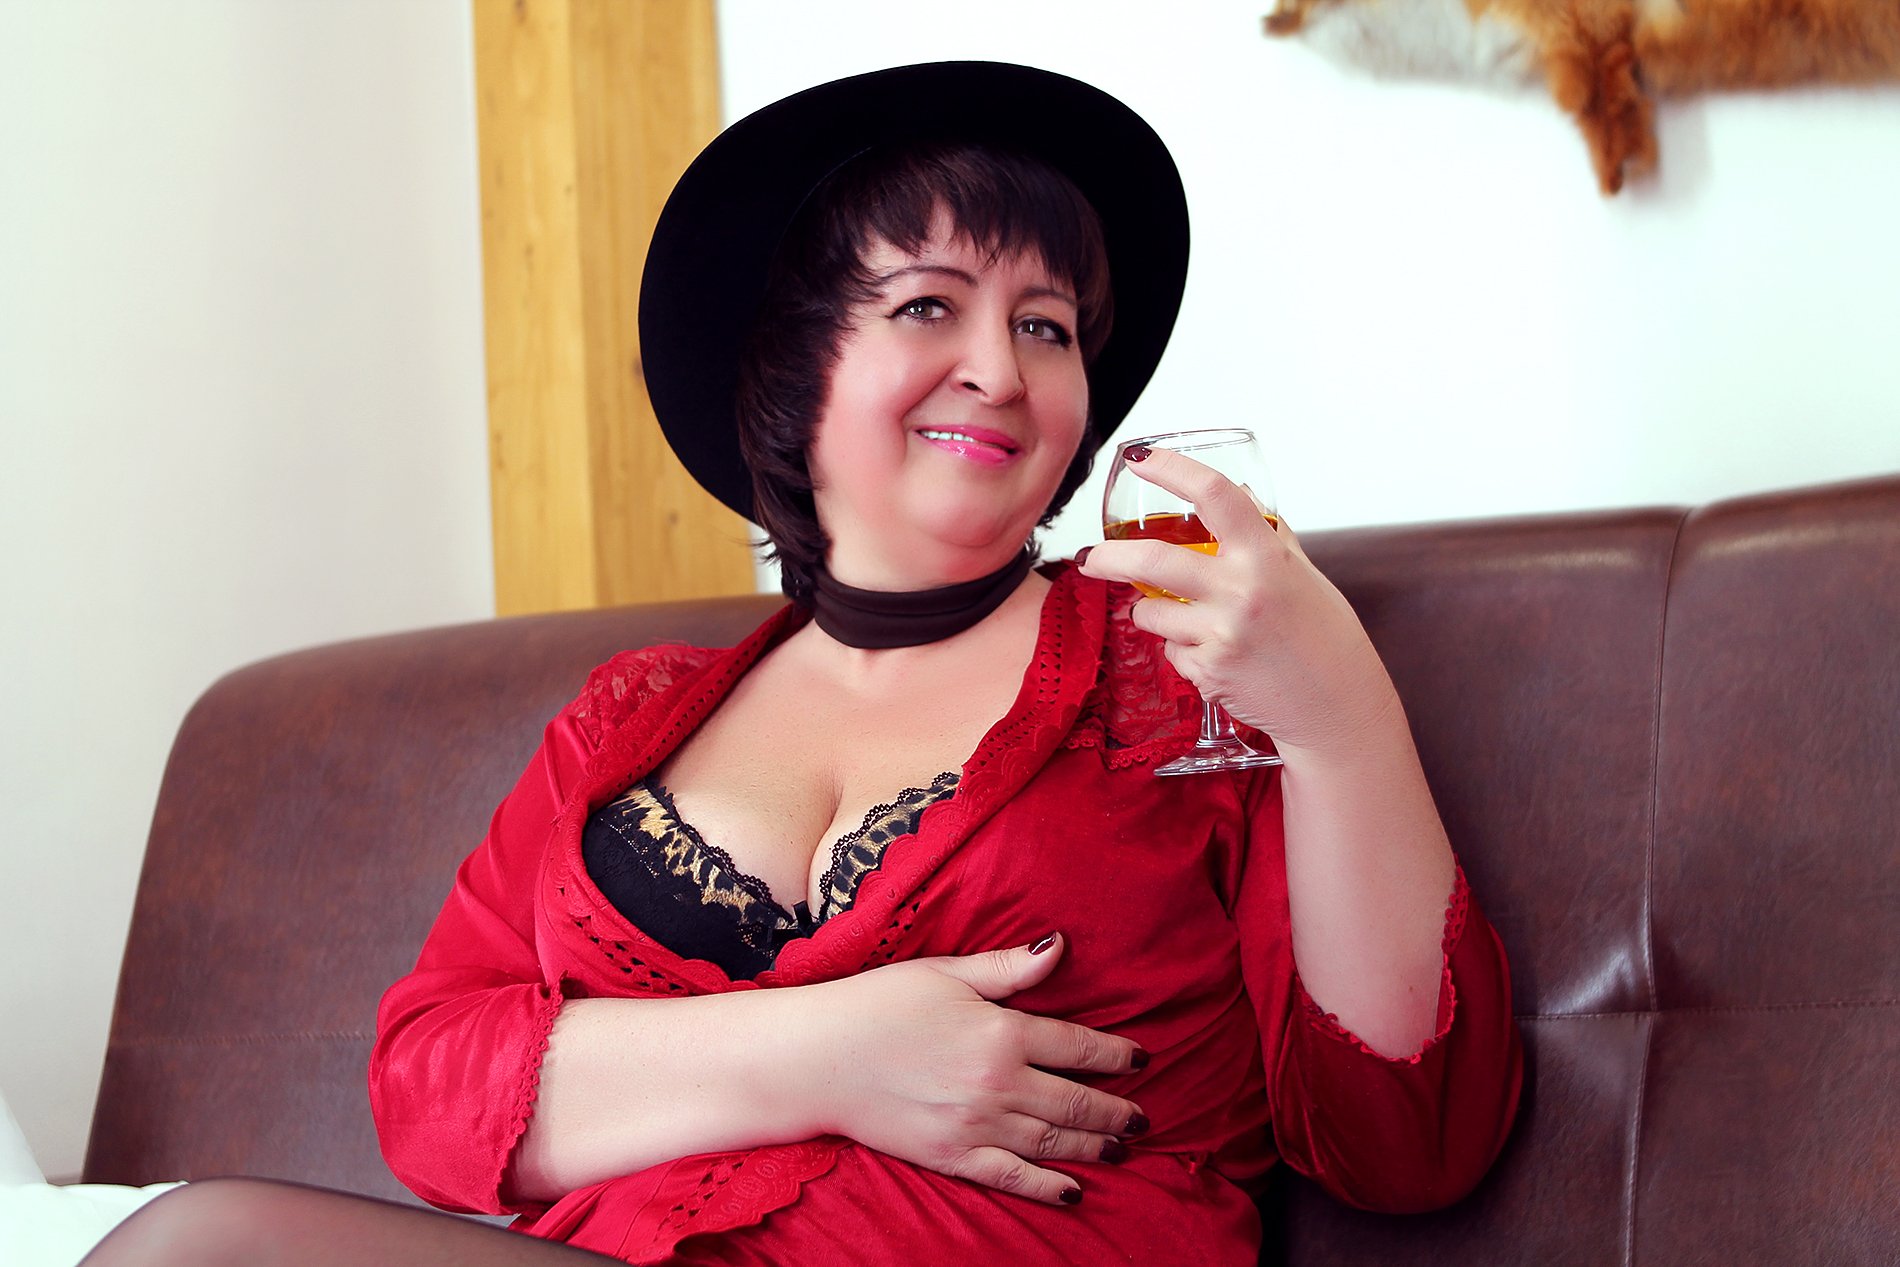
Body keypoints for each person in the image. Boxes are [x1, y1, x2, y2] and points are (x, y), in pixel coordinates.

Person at [81, 60, 1520, 1267]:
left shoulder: (1183, 663)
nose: (1002, 369)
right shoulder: (630, 721)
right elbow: (428, 1089)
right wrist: (827, 1055)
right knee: (197, 1249)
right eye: (928, 307)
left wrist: (1339, 716)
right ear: (795, 369)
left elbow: (1411, 1146)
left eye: (1046, 326)